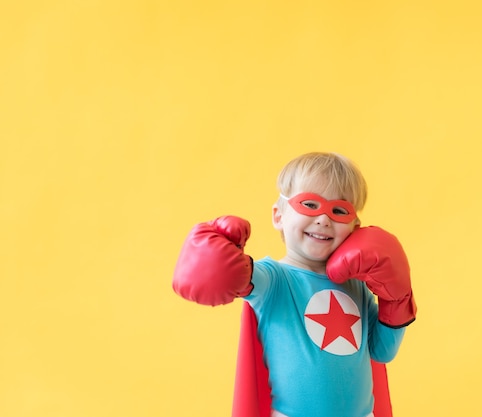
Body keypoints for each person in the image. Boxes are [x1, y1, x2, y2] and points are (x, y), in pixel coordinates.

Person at [172, 152, 417, 417]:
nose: (324, 219)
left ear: (355, 227)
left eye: (339, 210)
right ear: (279, 216)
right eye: (310, 205)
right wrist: (217, 259)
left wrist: (396, 298)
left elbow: (383, 351)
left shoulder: (357, 286)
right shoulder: (274, 279)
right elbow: (230, 276)